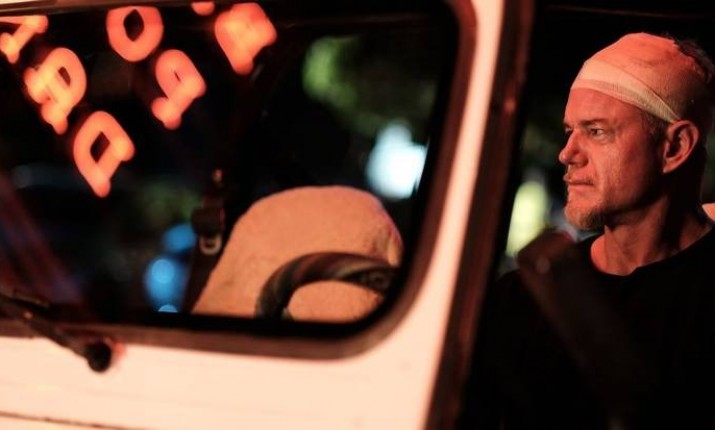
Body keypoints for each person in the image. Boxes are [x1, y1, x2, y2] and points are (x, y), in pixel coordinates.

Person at [462, 32, 715, 429]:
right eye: (570, 131)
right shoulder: (522, 298)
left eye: (596, 131)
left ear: (675, 147)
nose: (567, 154)